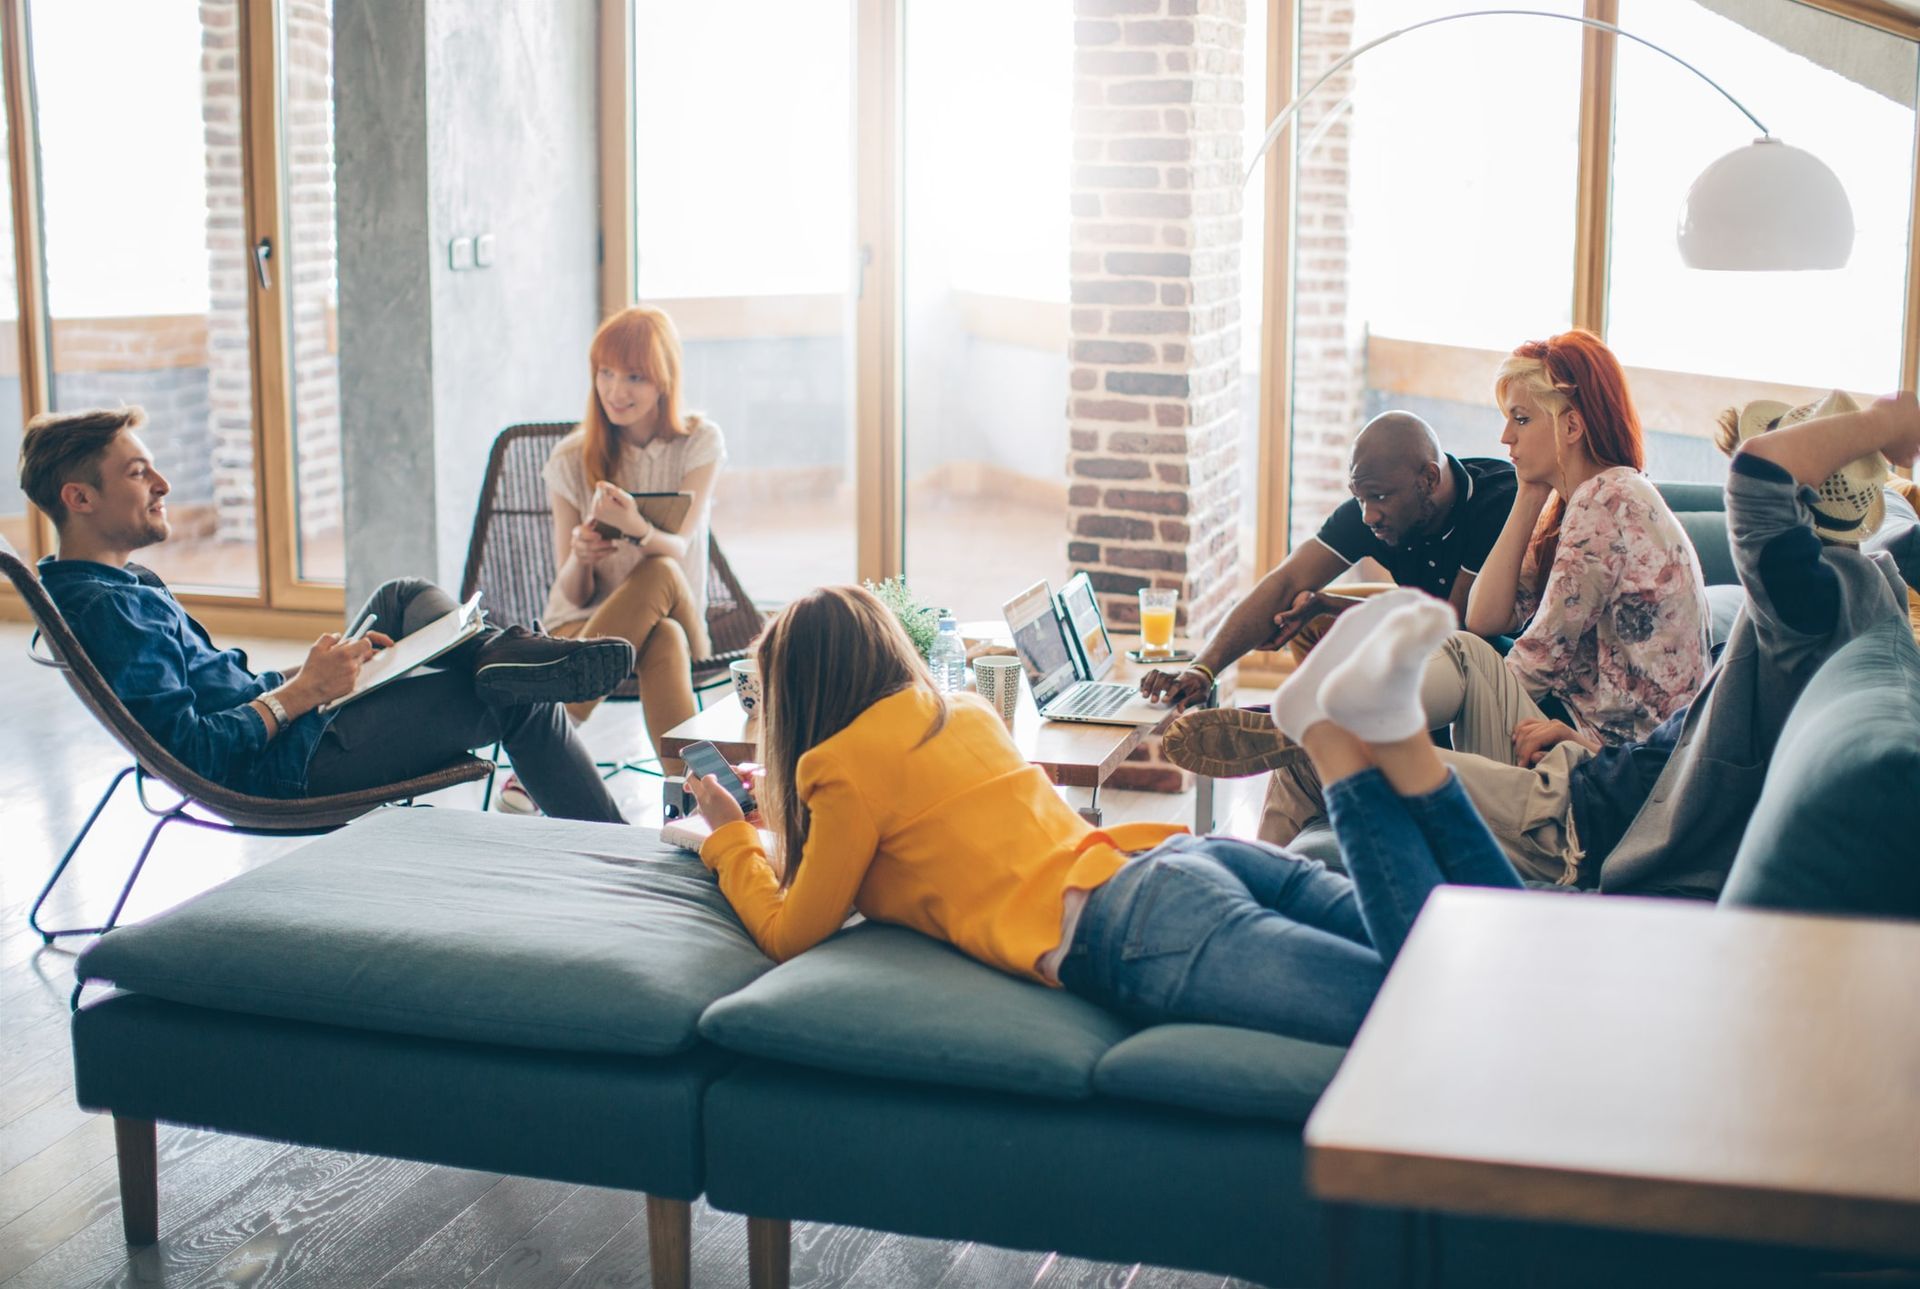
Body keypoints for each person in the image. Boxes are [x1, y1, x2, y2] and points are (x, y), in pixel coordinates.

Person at [677, 583, 1540, 1047]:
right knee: (1465, 958)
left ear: (798, 697)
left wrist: (725, 833)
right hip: (1178, 862)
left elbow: (794, 930)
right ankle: (1383, 737)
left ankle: (1341, 742)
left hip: (1136, 928)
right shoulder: (963, 711)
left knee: (1426, 1008)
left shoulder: (836, 767)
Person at [20, 407, 632, 822]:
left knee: (401, 595)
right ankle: (622, 860)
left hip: (300, 725)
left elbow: (220, 694)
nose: (162, 482)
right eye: (137, 472)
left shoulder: (109, 585)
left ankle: (507, 653)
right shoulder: (108, 610)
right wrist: (303, 692)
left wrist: (311, 679)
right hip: (288, 765)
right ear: (80, 498)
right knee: (513, 696)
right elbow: (197, 754)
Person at [1421, 387, 1920, 894]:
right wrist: (1590, 749)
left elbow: (1758, 475)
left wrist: (1883, 424)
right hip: (1594, 773)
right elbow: (1694, 742)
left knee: (1369, 758)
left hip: (1577, 824)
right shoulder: (1848, 594)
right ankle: (1354, 712)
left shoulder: (1806, 609)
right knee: (1466, 655)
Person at [1252, 331, 1713, 846]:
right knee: (1468, 647)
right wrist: (1530, 493)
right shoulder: (1593, 497)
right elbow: (1488, 618)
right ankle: (1343, 717)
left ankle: (1341, 718)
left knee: (1463, 658)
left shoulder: (1605, 504)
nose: (1504, 439)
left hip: (1611, 777)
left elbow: (1535, 663)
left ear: (1571, 425)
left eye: (1520, 419)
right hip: (1598, 754)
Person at [1139, 410, 1517, 782]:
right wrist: (1203, 668)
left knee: (1396, 630)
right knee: (1309, 607)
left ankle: (1309, 720)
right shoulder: (1375, 505)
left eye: (1379, 497)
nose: (1369, 516)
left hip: (1490, 657)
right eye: (1359, 498)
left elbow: (1452, 624)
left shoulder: (1496, 501)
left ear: (1429, 477)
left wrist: (1342, 605)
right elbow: (1286, 582)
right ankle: (1305, 726)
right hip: (1427, 626)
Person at [508, 305, 726, 812]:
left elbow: (680, 545)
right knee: (660, 636)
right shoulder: (570, 458)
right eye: (605, 373)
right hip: (578, 631)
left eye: (634, 376)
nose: (615, 390)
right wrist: (581, 558)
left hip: (680, 612)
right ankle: (694, 798)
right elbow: (572, 594)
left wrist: (634, 527)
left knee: (661, 570)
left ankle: (549, 739)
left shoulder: (699, 442)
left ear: (664, 380)